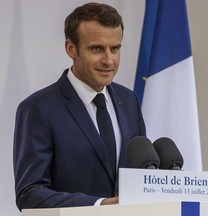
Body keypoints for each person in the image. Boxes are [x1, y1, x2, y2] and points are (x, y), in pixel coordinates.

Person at [13, 2, 146, 211]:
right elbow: (29, 194)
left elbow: (141, 176)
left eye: (115, 48)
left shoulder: (128, 100)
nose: (109, 60)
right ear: (71, 49)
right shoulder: (38, 109)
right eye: (97, 49)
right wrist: (99, 205)